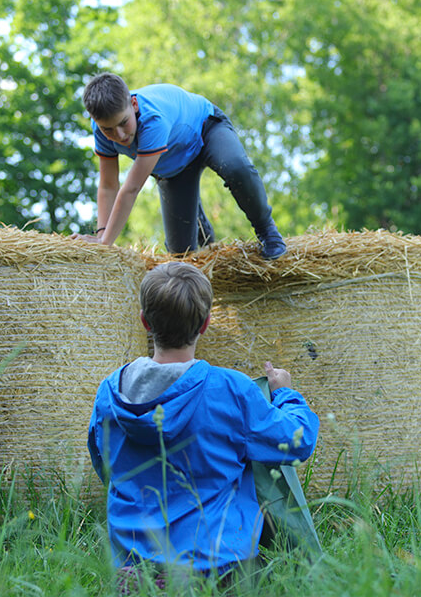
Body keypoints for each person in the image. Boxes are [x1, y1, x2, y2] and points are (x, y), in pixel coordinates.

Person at [87, 261, 318, 587]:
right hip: (218, 572)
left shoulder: (109, 393)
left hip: (134, 573)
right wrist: (285, 394)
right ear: (206, 324)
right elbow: (298, 440)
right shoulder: (230, 389)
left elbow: (105, 466)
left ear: (144, 322)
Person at [75, 73, 287, 259]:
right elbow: (108, 186)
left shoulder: (153, 120)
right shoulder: (101, 129)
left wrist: (104, 244)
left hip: (205, 130)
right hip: (173, 167)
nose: (119, 135)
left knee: (236, 168)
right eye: (108, 129)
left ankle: (268, 232)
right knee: (181, 255)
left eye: (123, 123)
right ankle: (197, 219)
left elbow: (130, 189)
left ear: (134, 105)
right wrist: (100, 235)